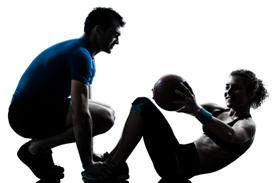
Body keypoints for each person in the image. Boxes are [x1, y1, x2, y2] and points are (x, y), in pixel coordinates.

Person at [82, 69, 268, 183]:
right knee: (143, 107)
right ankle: (113, 159)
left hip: (181, 167)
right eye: (227, 87)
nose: (228, 92)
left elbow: (230, 136)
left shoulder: (247, 125)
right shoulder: (218, 110)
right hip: (178, 155)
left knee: (142, 105)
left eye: (236, 88)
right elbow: (179, 107)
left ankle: (114, 166)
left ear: (251, 94)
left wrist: (196, 110)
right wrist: (167, 94)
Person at [8, 7, 126, 182]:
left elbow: (86, 111)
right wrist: (89, 165)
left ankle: (39, 146)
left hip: (39, 108)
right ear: (98, 30)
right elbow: (81, 115)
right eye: (115, 35)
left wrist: (90, 152)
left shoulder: (87, 57)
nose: (117, 41)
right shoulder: (80, 56)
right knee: (106, 117)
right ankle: (35, 148)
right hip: (24, 114)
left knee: (107, 112)